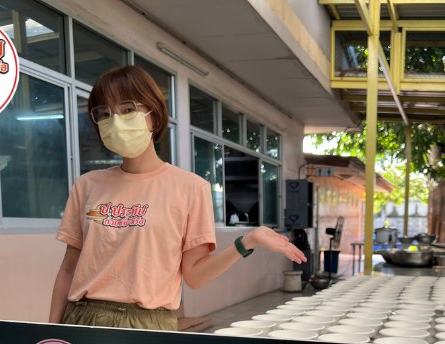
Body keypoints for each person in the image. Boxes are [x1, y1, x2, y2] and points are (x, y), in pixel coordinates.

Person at [49, 66, 306, 329]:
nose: (116, 121)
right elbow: (68, 269)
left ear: (154, 116)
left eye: (127, 110)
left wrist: (247, 242)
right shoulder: (87, 185)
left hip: (149, 326)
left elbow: (194, 276)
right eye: (105, 113)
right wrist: (49, 336)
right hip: (83, 321)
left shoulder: (190, 188)